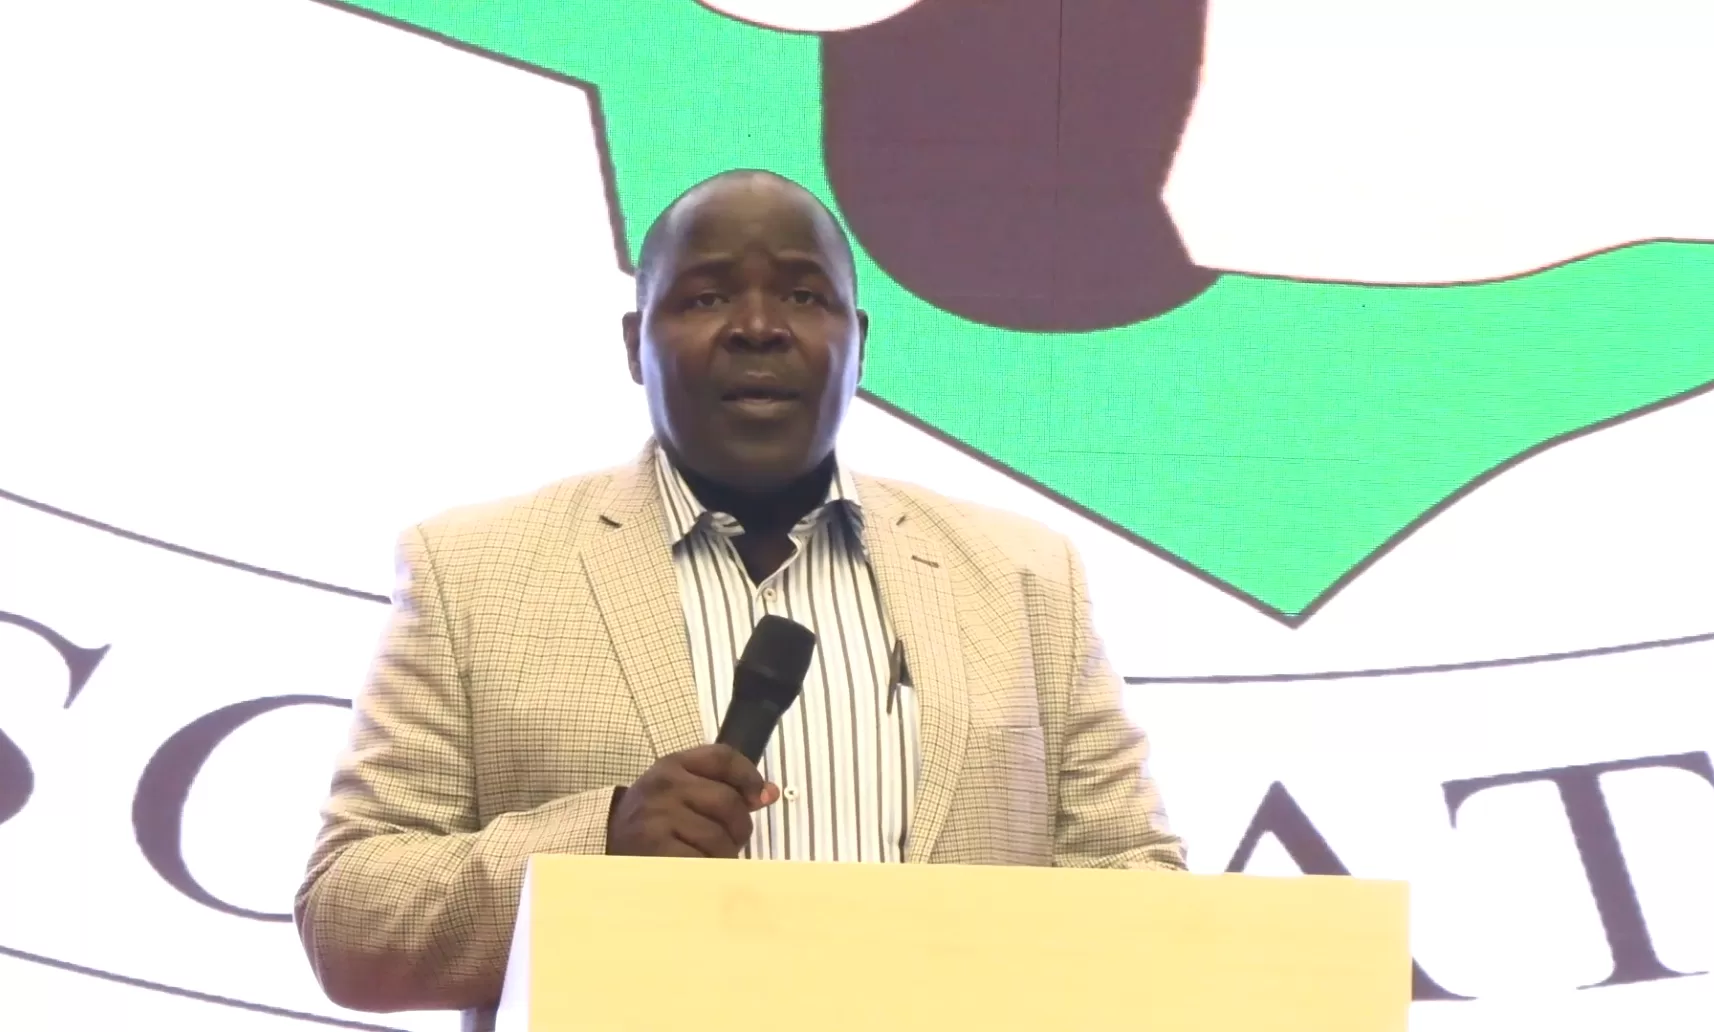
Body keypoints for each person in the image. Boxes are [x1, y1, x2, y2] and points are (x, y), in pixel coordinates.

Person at [293, 169, 1185, 1028]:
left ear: (858, 343)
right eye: (707, 296)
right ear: (634, 345)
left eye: (803, 295)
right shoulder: (473, 571)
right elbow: (350, 916)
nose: (758, 328)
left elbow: (1139, 886)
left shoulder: (1025, 578)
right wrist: (600, 842)